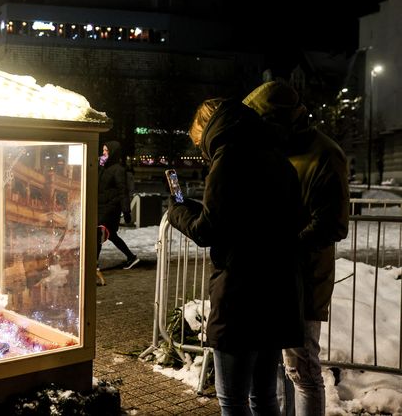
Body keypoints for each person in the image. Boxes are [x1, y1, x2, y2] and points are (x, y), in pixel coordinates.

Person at [167, 98, 305, 415]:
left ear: (208, 128)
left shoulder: (228, 159)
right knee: (265, 397)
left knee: (233, 400)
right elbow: (265, 219)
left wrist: (177, 212)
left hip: (240, 297)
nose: (203, 151)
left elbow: (209, 231)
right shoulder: (277, 158)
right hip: (277, 292)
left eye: (200, 143)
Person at [244, 81, 350, 416]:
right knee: (271, 370)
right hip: (272, 276)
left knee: (301, 369)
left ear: (278, 120)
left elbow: (333, 224)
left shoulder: (325, 154)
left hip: (303, 280)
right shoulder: (275, 149)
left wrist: (283, 247)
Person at [98, 141, 139, 270]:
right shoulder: (104, 168)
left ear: (113, 152)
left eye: (106, 151)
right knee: (112, 236)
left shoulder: (118, 170)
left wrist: (126, 212)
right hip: (102, 206)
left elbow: (123, 191)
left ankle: (94, 264)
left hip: (111, 208)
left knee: (98, 232)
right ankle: (131, 257)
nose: (103, 153)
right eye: (103, 151)